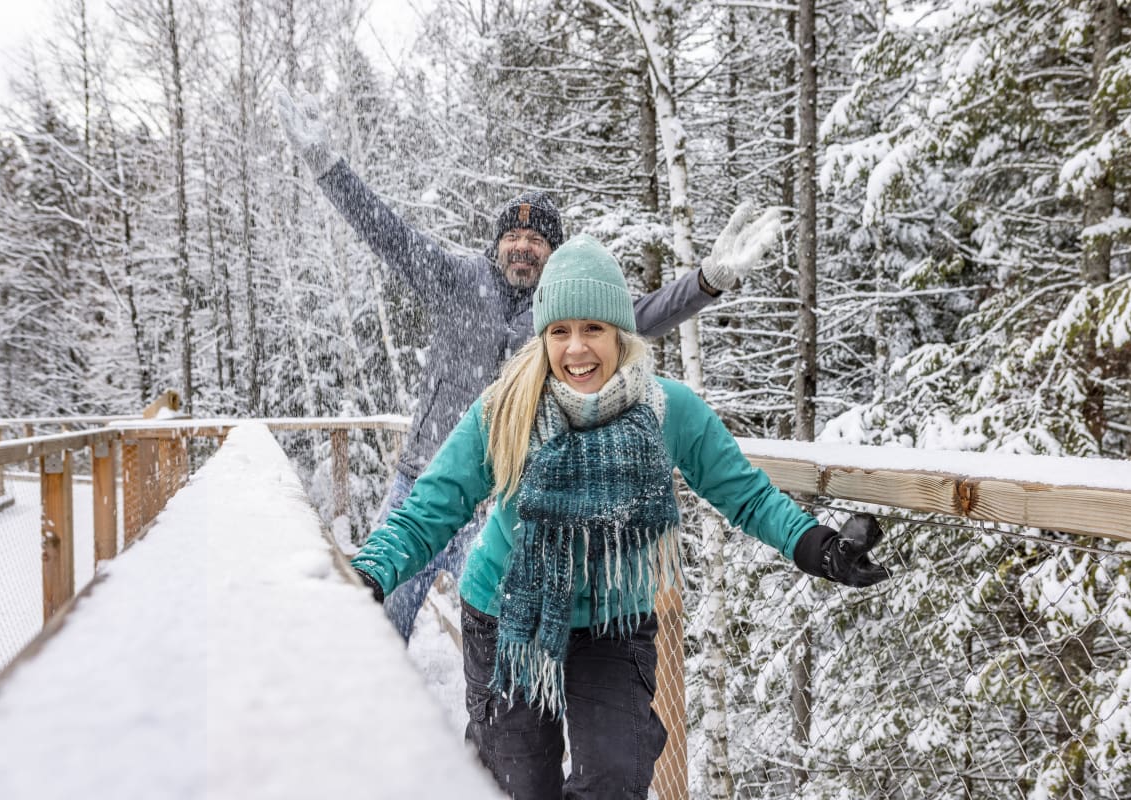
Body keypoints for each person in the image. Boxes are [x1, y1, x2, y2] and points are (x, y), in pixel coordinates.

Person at [350, 233, 890, 799]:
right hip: (508, 611)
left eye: (592, 329)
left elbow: (746, 494)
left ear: (619, 333)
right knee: (518, 785)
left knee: (613, 778)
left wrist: (818, 546)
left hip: (613, 617)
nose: (576, 349)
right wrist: (370, 571)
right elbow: (432, 507)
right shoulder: (507, 408)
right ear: (543, 337)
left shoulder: (667, 410)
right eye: (560, 331)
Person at [275, 88, 783, 642]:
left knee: (496, 636)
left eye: (536, 239)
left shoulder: (564, 316)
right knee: (375, 627)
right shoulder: (454, 282)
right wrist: (327, 167)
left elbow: (645, 314)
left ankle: (484, 703)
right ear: (497, 245)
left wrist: (707, 282)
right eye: (512, 236)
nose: (522, 246)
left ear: (552, 252)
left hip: (499, 503)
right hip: (423, 486)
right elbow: (388, 233)